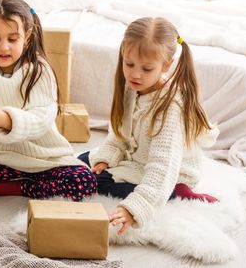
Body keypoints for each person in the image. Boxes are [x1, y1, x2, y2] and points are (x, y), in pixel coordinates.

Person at [0, 0, 96, 204]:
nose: (3, 47)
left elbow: (42, 119)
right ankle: (17, 184)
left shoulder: (39, 71)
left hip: (44, 159)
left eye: (12, 39)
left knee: (84, 182)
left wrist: (5, 120)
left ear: (28, 36)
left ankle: (19, 186)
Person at [78, 17, 218, 234]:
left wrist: (134, 209)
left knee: (97, 184)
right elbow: (119, 133)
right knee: (80, 163)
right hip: (138, 158)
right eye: (129, 64)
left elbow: (162, 165)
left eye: (146, 68)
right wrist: (108, 157)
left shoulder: (171, 107)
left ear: (166, 64)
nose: (135, 74)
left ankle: (178, 192)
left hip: (172, 172)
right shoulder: (132, 86)